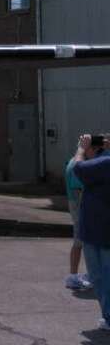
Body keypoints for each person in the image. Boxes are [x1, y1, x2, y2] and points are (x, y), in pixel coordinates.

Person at [72, 133, 110, 331]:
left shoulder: (105, 164)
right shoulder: (103, 162)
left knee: (101, 277)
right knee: (101, 277)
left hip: (100, 232)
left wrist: (81, 148)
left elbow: (78, 168)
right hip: (97, 230)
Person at [65, 149, 92, 289]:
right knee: (80, 241)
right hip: (79, 207)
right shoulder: (77, 165)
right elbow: (80, 190)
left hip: (76, 206)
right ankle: (73, 276)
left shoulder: (72, 162)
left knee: (81, 242)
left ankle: (80, 275)